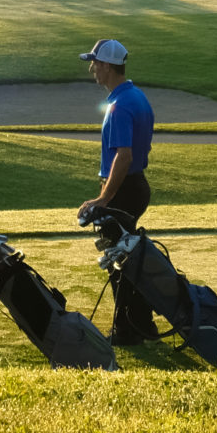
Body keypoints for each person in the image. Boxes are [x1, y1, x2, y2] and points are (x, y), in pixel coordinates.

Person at [78, 37, 157, 346]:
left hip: (123, 191)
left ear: (108, 66)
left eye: (95, 63)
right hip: (135, 187)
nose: (92, 69)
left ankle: (126, 330)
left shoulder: (119, 106)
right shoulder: (136, 97)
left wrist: (103, 199)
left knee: (119, 263)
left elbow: (123, 157)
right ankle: (143, 325)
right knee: (129, 260)